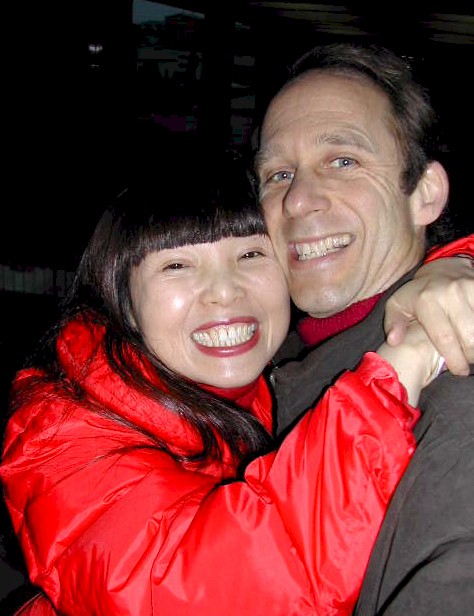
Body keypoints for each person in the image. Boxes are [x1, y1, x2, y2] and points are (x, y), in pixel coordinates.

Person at [0, 150, 459, 616]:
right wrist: (399, 369)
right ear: (123, 299)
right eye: (176, 266)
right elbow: (206, 594)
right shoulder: (64, 432)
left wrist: (454, 266)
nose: (224, 290)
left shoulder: (260, 378)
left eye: (251, 254)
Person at [254, 42, 474, 615]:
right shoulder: (262, 361)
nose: (297, 200)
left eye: (343, 161)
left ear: (424, 194)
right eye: (278, 173)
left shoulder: (455, 384)